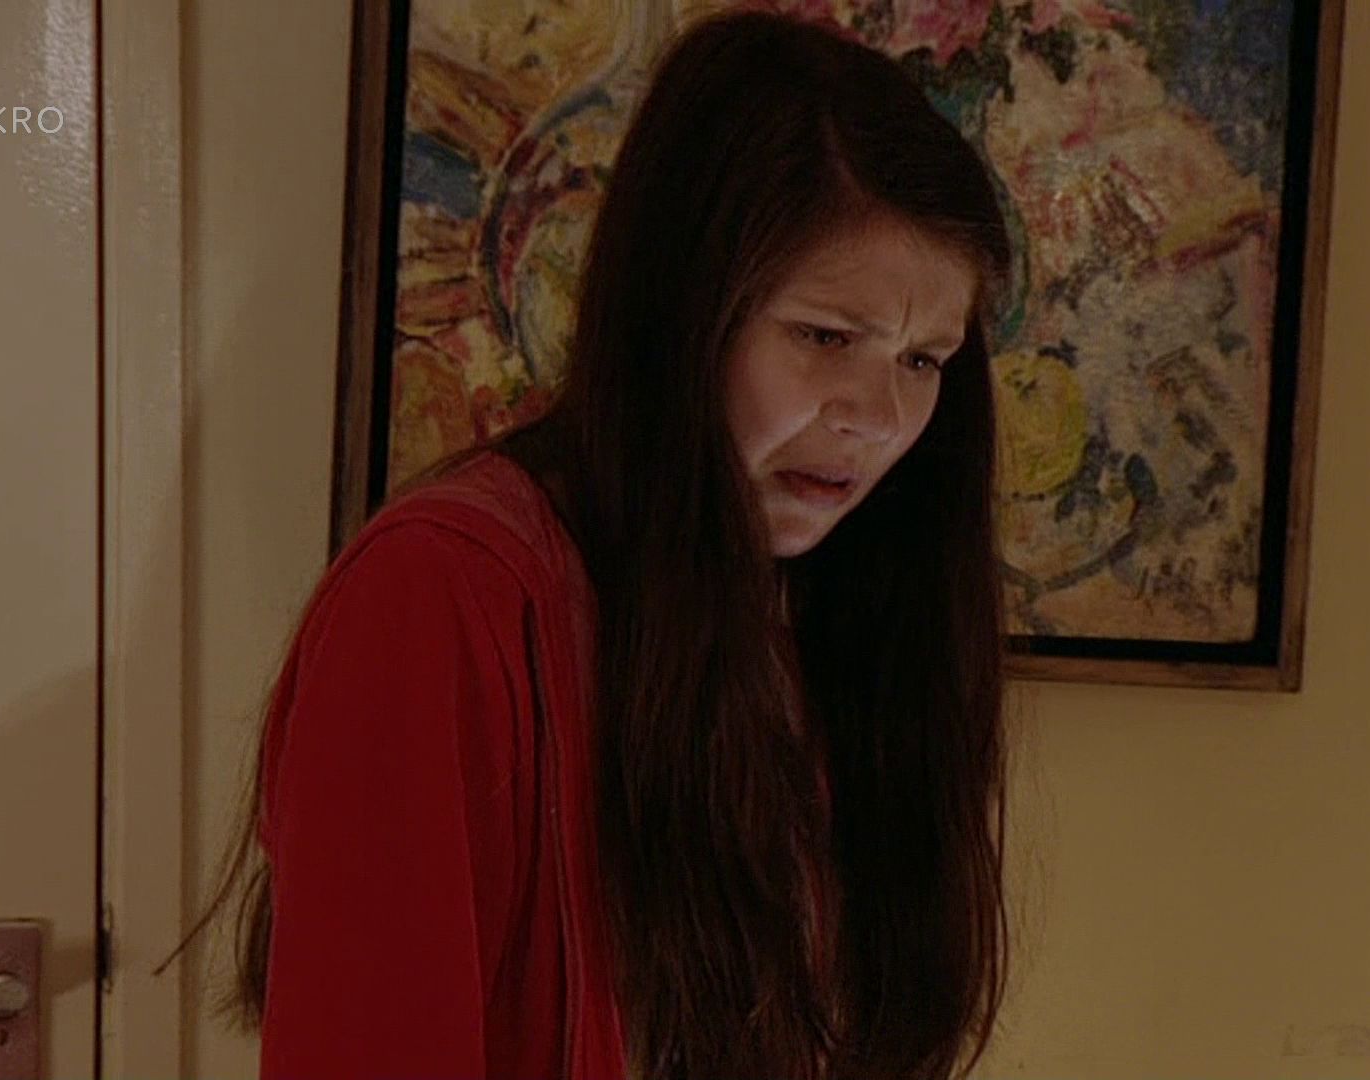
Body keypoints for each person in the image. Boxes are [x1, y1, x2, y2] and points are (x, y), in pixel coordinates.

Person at [173, 8, 1016, 1078]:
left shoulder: (826, 609)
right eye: (825, 336)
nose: (879, 418)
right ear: (683, 311)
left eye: (923, 360)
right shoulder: (443, 597)